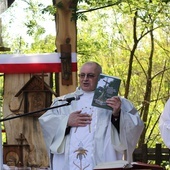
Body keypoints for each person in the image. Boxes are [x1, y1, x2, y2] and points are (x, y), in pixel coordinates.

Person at [39, 61, 144, 170]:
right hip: (67, 162)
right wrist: (66, 121)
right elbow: (46, 123)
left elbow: (135, 126)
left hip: (103, 160)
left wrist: (117, 114)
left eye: (90, 75)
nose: (85, 79)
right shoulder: (63, 102)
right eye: (82, 75)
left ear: (100, 78)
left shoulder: (116, 102)